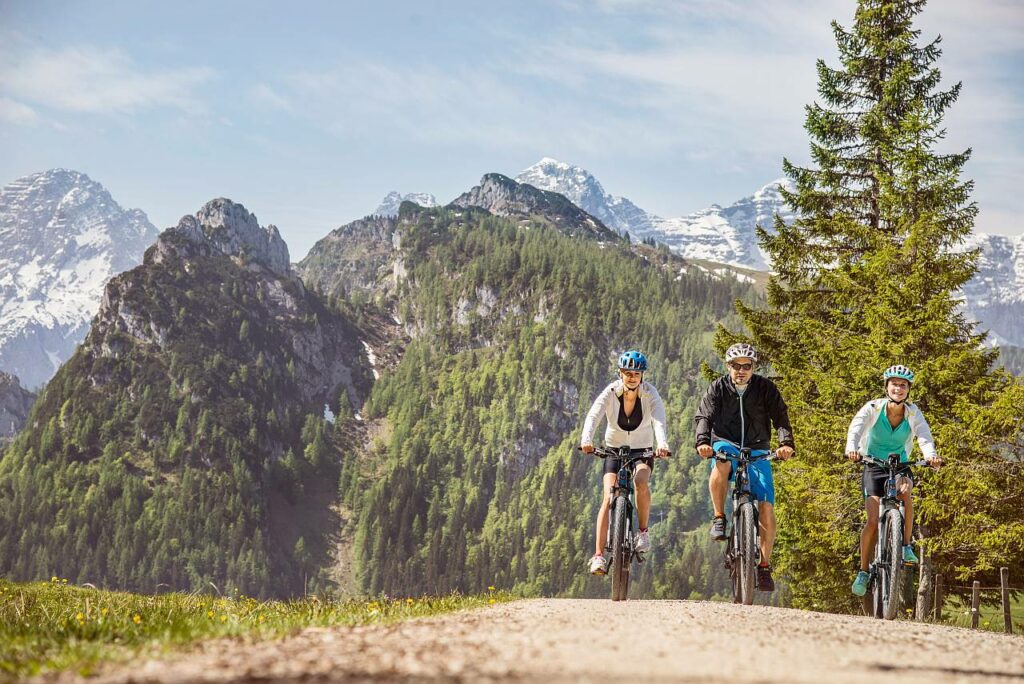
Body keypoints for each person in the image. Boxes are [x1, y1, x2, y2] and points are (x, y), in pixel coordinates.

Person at [694, 342, 795, 592]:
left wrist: (786, 444)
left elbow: (780, 416)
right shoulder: (718, 387)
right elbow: (704, 416)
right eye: (736, 365)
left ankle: (763, 566)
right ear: (728, 366)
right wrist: (703, 442)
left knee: (766, 507)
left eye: (746, 366)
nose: (741, 370)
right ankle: (719, 517)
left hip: (757, 446)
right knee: (722, 461)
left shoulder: (765, 388)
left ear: (753, 367)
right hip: (725, 442)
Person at [846, 364, 942, 597]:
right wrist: (852, 449)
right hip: (873, 464)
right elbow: (856, 429)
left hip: (901, 466)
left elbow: (923, 436)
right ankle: (863, 571)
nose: (898, 388)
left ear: (908, 390)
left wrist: (930, 456)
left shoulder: (912, 412)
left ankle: (906, 545)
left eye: (903, 385)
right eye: (894, 384)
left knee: (905, 493)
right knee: (871, 520)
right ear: (886, 387)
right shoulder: (873, 408)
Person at [580, 350, 671, 575]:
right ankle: (599, 556)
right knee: (608, 495)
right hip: (613, 449)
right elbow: (594, 415)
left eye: (636, 373)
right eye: (627, 373)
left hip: (643, 450)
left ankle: (642, 532)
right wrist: (586, 440)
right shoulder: (611, 392)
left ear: (642, 375)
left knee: (641, 482)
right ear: (620, 373)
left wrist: (663, 444)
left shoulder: (650, 394)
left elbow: (659, 419)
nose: (632, 377)